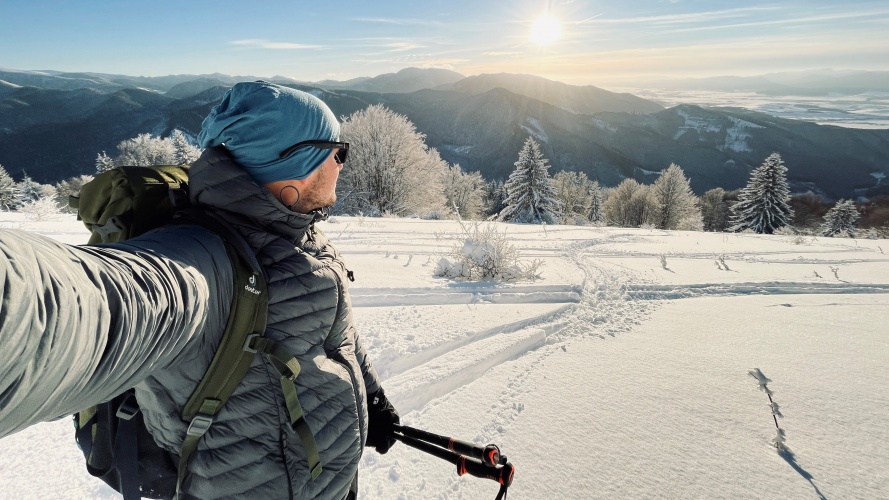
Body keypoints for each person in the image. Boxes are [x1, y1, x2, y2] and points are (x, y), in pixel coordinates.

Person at [0, 81, 400, 499]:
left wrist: (370, 397)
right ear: (294, 164)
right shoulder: (200, 261)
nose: (342, 163)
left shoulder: (301, 236)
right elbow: (77, 307)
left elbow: (338, 336)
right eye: (338, 152)